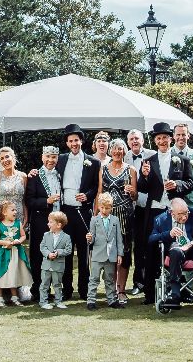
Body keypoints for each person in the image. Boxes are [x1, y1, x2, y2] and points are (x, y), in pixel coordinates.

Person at [136, 122, 191, 304]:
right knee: (151, 251)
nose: (162, 141)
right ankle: (150, 294)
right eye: (159, 138)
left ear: (171, 139)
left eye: (165, 137)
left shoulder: (181, 159)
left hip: (175, 213)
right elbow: (142, 188)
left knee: (177, 249)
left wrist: (177, 185)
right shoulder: (148, 161)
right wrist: (143, 176)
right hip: (154, 213)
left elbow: (190, 184)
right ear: (155, 140)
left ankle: (179, 290)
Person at [57, 124, 101, 301]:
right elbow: (49, 173)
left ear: (81, 141)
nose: (74, 143)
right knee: (66, 252)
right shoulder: (60, 159)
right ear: (67, 143)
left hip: (83, 212)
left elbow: (96, 187)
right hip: (65, 212)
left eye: (76, 140)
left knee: (84, 253)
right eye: (70, 141)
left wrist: (88, 195)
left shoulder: (94, 162)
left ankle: (84, 290)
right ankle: (67, 290)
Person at [149, 198, 193, 309]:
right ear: (171, 213)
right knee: (175, 252)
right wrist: (168, 234)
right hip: (175, 252)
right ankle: (175, 294)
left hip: (192, 249)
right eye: (180, 214)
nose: (184, 217)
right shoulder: (160, 219)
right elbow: (151, 239)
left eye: (186, 213)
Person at [98, 138, 137, 305]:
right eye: (114, 149)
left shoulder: (131, 170)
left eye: (120, 149)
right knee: (109, 253)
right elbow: (99, 193)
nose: (117, 152)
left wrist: (132, 191)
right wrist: (96, 215)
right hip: (108, 216)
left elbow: (135, 196)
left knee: (125, 253)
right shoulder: (103, 169)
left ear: (124, 151)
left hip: (125, 216)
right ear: (110, 151)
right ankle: (111, 290)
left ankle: (121, 290)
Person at [25, 146, 61, 302]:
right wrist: (46, 201)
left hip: (59, 222)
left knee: (55, 256)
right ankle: (37, 290)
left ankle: (51, 289)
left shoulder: (60, 174)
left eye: (53, 157)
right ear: (42, 157)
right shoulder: (35, 176)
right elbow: (29, 201)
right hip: (41, 222)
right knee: (39, 256)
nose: (50, 160)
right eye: (48, 157)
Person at [125, 129, 154, 296]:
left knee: (150, 244)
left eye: (137, 138)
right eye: (131, 139)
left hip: (148, 207)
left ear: (143, 140)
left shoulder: (152, 154)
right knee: (137, 247)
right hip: (131, 208)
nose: (134, 141)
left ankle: (152, 280)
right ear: (128, 142)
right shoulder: (125, 156)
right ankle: (138, 282)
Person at [85, 192, 122, 309]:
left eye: (107, 208)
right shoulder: (94, 220)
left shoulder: (115, 220)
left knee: (110, 279)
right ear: (98, 207)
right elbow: (92, 239)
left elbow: (118, 239)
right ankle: (91, 301)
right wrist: (89, 239)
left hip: (111, 255)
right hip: (97, 255)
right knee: (94, 279)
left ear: (111, 207)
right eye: (102, 207)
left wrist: (119, 254)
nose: (104, 210)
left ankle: (111, 300)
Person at [0, 200, 30, 307]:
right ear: (4, 212)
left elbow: (23, 236)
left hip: (15, 254)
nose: (15, 212)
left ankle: (15, 297)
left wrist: (19, 241)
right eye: (12, 210)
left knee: (13, 274)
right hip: (2, 254)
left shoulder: (18, 223)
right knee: (0, 275)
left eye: (16, 209)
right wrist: (6, 242)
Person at [0, 147, 27, 245]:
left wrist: (26, 218)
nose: (5, 160)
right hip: (1, 217)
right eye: (2, 158)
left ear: (13, 157)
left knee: (16, 248)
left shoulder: (23, 177)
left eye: (7, 157)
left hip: (18, 217)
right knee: (1, 248)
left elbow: (24, 200)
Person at [37, 211, 71, 309]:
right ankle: (43, 302)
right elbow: (42, 247)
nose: (48, 224)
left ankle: (58, 301)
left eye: (51, 222)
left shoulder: (66, 237)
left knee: (57, 284)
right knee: (44, 284)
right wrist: (48, 254)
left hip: (58, 266)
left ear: (59, 225)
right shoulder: (46, 235)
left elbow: (68, 250)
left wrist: (58, 253)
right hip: (46, 265)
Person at [171, 123, 193, 211]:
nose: (181, 137)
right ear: (173, 136)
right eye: (178, 134)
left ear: (188, 136)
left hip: (191, 204)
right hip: (171, 204)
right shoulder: (167, 154)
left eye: (183, 134)